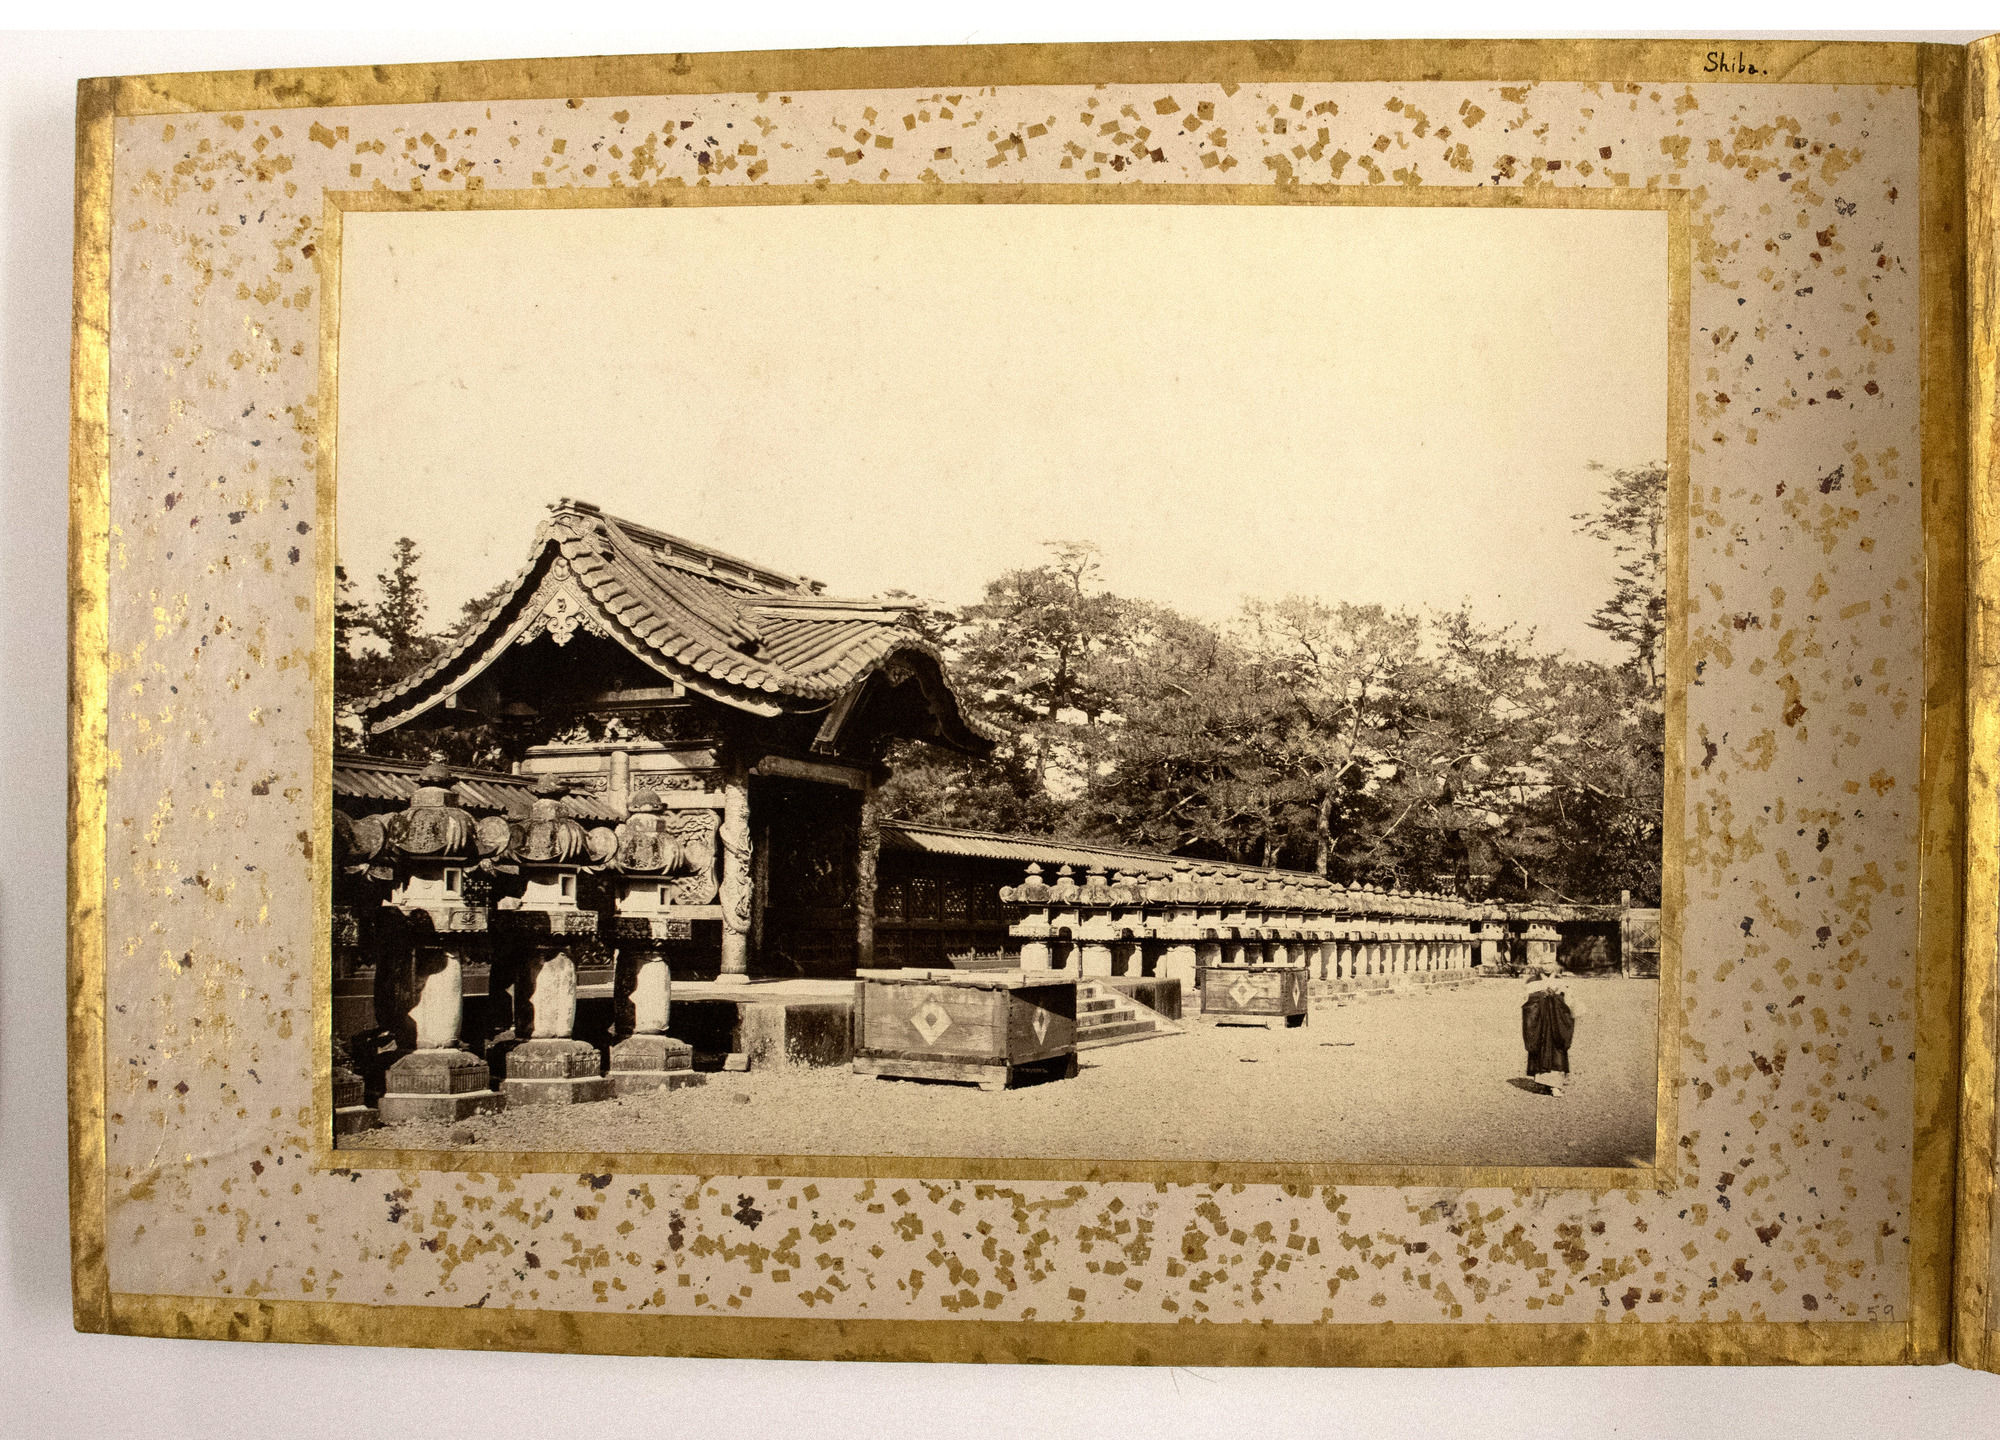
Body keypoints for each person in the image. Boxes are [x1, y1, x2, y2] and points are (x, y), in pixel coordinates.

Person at [1521, 959, 1579, 1095]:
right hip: (1539, 1021)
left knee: (1556, 1049)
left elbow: (1569, 1003)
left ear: (1555, 965)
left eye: (1549, 963)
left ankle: (1555, 1085)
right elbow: (1525, 1002)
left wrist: (1556, 997)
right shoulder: (1532, 981)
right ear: (1540, 965)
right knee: (1539, 1045)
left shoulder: (1561, 981)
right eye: (1544, 964)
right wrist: (1540, 996)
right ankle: (1542, 1082)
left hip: (1556, 1023)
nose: (1547, 967)